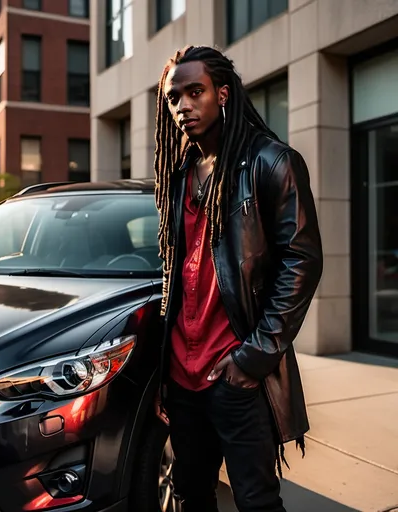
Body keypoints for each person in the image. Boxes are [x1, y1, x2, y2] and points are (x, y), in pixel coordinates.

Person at [153, 45, 323, 512]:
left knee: (257, 501)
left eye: (195, 92)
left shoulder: (271, 162)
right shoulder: (180, 174)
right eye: (173, 98)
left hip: (236, 373)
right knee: (191, 495)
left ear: (222, 94)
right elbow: (175, 269)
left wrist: (254, 358)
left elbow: (302, 262)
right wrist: (163, 372)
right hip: (182, 379)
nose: (183, 106)